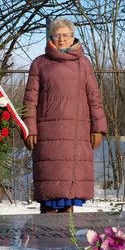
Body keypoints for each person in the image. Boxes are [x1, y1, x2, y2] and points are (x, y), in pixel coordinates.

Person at [22, 18, 107, 214]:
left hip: (77, 136)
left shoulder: (84, 63)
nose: (61, 39)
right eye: (57, 35)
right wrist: (29, 129)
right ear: (51, 37)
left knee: (70, 192)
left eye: (65, 35)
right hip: (47, 135)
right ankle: (46, 237)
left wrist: (98, 128)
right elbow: (30, 100)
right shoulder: (40, 63)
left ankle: (68, 238)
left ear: (72, 37)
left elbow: (94, 98)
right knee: (49, 193)